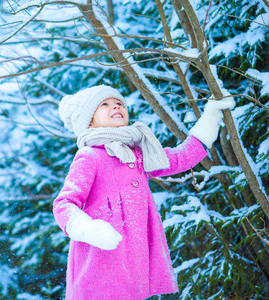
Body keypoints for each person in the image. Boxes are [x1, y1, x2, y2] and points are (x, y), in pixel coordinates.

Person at [53, 85, 235, 300]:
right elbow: (64, 203)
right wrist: (87, 229)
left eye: (119, 102)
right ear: (89, 121)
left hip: (134, 261)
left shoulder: (137, 154)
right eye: (105, 104)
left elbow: (181, 157)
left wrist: (212, 115)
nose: (116, 106)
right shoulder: (89, 156)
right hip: (100, 260)